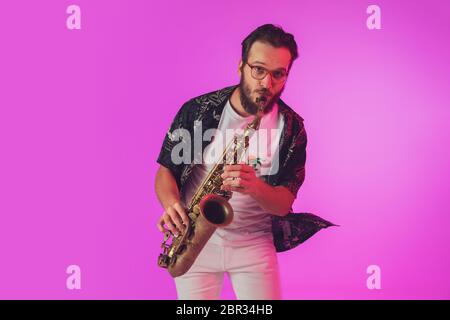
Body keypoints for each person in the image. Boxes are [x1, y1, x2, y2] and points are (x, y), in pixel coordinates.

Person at [155, 24, 322, 300]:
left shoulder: (292, 128)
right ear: (241, 66)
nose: (266, 84)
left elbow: (283, 205)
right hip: (194, 241)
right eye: (258, 69)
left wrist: (255, 186)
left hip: (254, 247)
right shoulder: (198, 111)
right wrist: (171, 204)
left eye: (278, 74)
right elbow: (166, 172)